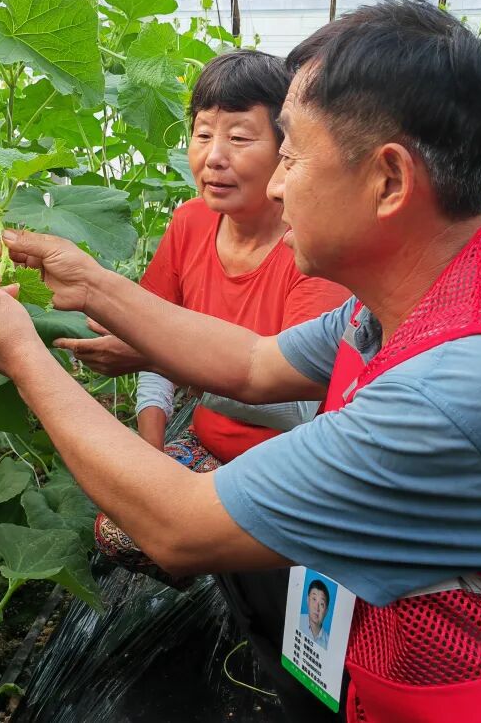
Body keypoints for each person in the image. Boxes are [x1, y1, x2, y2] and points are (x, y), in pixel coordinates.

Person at [0, 0, 481, 722]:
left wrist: (21, 353)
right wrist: (92, 283)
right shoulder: (458, 281)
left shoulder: (464, 388)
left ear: (388, 180)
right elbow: (253, 362)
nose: (275, 186)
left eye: (292, 157)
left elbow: (177, 526)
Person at [51, 49, 349, 720]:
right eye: (202, 133)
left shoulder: (310, 247)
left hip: (294, 471)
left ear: (287, 150)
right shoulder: (189, 224)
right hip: (212, 459)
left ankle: (305, 686)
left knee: (307, 648)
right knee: (125, 526)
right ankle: (242, 600)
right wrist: (151, 451)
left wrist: (153, 358)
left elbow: (300, 406)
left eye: (240, 137)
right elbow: (155, 343)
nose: (213, 156)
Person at [300, 579, 330, 649]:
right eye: (314, 599)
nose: (317, 608)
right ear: (308, 600)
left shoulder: (328, 643)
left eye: (321, 604)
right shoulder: (297, 620)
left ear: (326, 611)